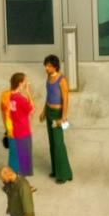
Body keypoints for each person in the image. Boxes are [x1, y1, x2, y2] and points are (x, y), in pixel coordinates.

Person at [39, 55, 73, 185]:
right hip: (49, 111)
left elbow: (65, 99)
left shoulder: (62, 80)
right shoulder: (48, 77)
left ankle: (64, 174)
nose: (46, 68)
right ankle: (56, 170)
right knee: (52, 142)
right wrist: (43, 111)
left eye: (48, 66)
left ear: (55, 66)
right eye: (45, 65)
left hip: (58, 113)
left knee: (58, 143)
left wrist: (63, 117)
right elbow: (48, 96)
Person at [7, 73, 35, 177]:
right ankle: (22, 184)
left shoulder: (8, 96)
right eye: (24, 81)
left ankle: (10, 180)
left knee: (13, 157)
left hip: (12, 131)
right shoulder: (20, 99)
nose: (26, 83)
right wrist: (28, 92)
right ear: (20, 83)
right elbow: (32, 110)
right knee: (24, 160)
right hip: (23, 132)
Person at [0, 81, 19, 174]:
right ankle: (13, 176)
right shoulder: (16, 98)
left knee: (13, 155)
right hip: (15, 130)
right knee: (16, 155)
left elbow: (3, 113)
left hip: (10, 129)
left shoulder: (4, 95)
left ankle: (12, 174)